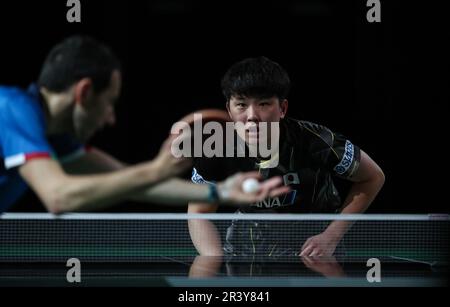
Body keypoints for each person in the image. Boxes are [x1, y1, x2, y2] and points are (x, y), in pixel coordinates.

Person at [0, 36, 288, 213]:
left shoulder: (55, 137)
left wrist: (221, 192)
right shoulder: (10, 108)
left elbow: (136, 184)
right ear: (84, 92)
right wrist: (155, 169)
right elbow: (58, 197)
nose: (111, 118)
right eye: (109, 102)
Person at [188, 56, 385, 258]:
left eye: (263, 104)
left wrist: (331, 236)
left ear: (282, 108)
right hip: (245, 250)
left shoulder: (315, 141)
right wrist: (212, 259)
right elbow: (199, 213)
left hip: (313, 250)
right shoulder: (215, 149)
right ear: (229, 109)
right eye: (241, 104)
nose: (252, 115)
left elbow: (372, 177)